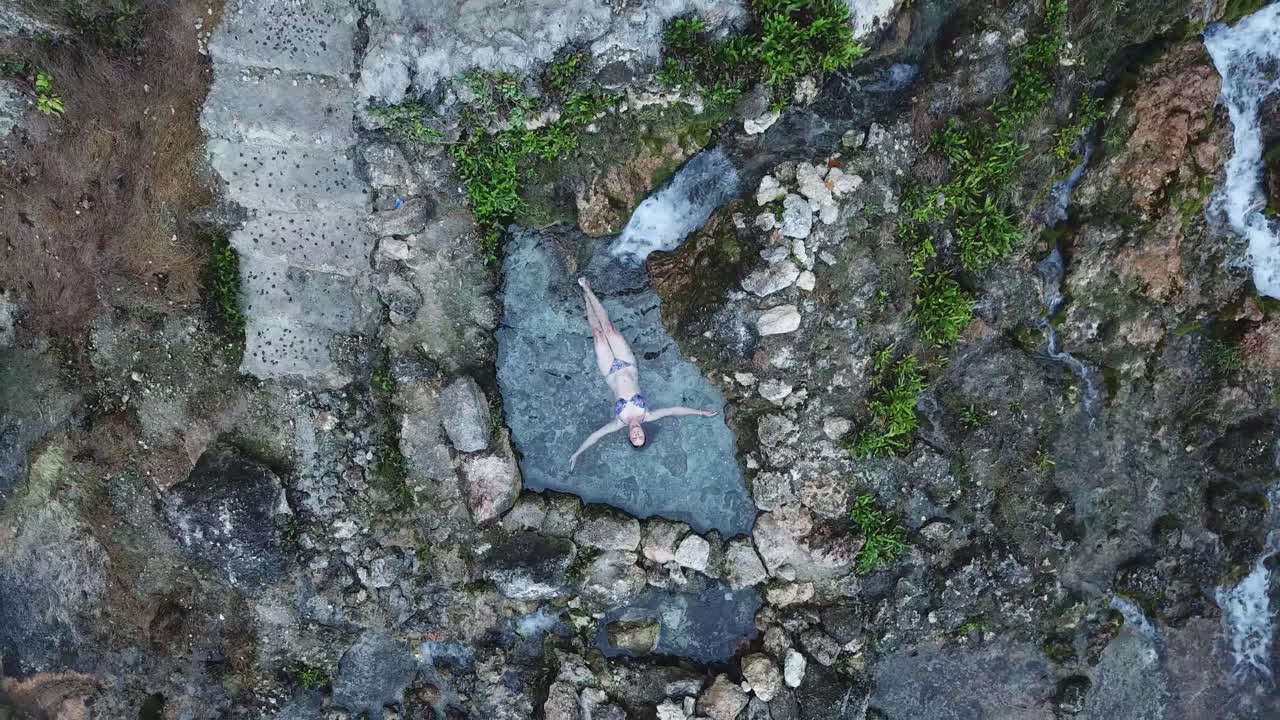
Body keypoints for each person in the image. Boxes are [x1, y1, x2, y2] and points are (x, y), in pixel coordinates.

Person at [569, 277, 719, 469]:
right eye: (641, 437)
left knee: (598, 334)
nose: (637, 435)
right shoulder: (648, 415)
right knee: (609, 329)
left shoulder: (618, 423)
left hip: (609, 372)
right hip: (628, 365)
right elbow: (674, 410)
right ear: (644, 433)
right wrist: (700, 412)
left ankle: (585, 295)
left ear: (630, 437)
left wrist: (578, 452)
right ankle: (588, 290)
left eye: (634, 439)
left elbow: (595, 436)